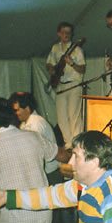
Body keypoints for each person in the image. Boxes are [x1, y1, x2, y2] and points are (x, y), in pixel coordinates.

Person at [9, 92, 79, 223]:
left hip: (49, 177)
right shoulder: (27, 124)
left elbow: (35, 157)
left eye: (17, 110)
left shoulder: (36, 125)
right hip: (45, 176)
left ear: (27, 108)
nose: (15, 114)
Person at [46, 21, 86, 149]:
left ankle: (77, 144)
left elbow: (82, 69)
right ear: (59, 33)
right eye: (64, 32)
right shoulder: (55, 48)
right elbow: (49, 63)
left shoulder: (77, 49)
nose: (66, 35)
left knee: (74, 115)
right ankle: (68, 143)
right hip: (60, 85)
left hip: (74, 84)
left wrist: (72, 63)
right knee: (61, 116)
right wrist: (51, 69)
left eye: (68, 32)